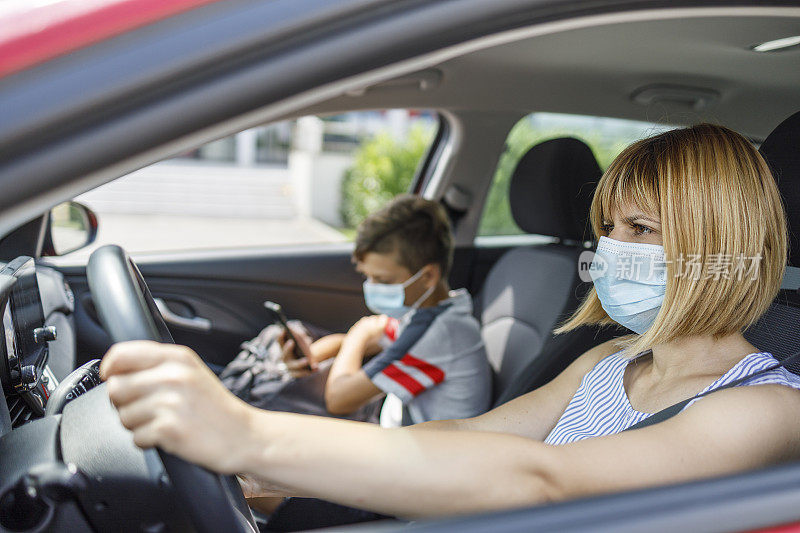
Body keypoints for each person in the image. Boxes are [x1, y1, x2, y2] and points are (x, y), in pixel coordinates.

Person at [100, 124, 800, 520]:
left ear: (722, 244)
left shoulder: (764, 409)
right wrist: (266, 466)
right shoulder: (611, 360)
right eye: (608, 226)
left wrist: (248, 430)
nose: (610, 248)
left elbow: (544, 480)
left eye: (641, 227)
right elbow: (467, 433)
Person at [229, 194, 493, 426]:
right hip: (396, 417)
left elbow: (338, 399)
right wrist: (309, 359)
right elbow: (365, 341)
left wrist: (360, 330)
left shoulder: (437, 335)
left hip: (421, 454)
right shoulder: (431, 310)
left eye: (383, 280)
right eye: (368, 277)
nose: (372, 287)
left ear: (428, 276)